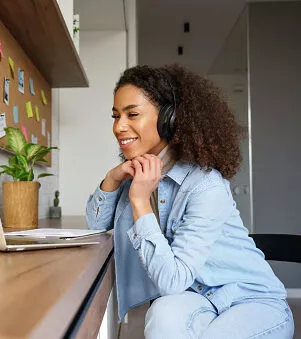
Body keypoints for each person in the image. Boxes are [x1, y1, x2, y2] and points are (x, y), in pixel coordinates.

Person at [85, 64, 294, 338]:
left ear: (168, 119)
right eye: (115, 116)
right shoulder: (137, 173)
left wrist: (140, 202)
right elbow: (96, 222)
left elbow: (172, 280)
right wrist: (111, 179)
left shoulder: (205, 185)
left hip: (250, 300)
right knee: (162, 315)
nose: (119, 127)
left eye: (132, 114)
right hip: (196, 298)